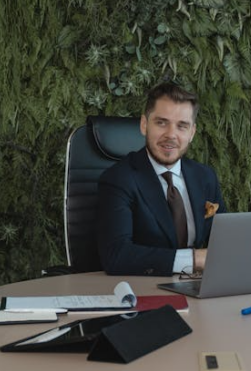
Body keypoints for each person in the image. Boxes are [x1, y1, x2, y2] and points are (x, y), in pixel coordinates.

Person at [97, 82, 226, 276]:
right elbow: (117, 255)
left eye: (182, 126)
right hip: (144, 291)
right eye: (161, 123)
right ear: (144, 125)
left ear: (192, 133)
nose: (171, 135)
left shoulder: (205, 177)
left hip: (198, 288)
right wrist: (194, 260)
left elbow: (226, 241)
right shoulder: (118, 179)